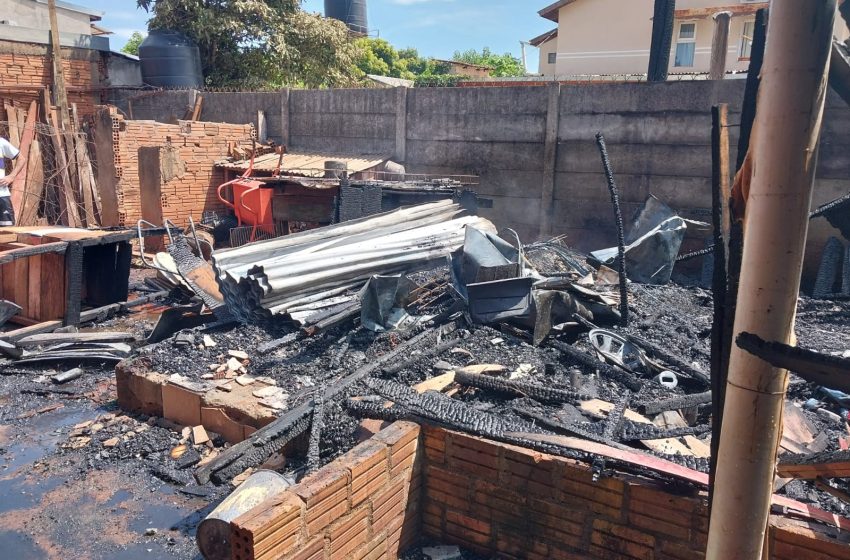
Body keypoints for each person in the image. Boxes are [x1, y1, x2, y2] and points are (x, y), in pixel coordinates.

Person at [0, 136, 20, 226]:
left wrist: (12, 176)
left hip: (2, 196)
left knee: (8, 234)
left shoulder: (1, 142)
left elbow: (21, 159)